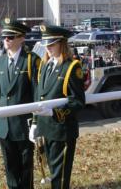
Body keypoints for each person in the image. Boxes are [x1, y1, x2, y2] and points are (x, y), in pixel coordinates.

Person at [29, 25, 85, 189]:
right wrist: (35, 122)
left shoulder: (71, 67)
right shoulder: (45, 65)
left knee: (60, 177)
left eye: (52, 44)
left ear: (62, 43)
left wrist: (55, 112)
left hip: (62, 129)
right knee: (52, 172)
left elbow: (78, 101)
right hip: (46, 128)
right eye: (46, 44)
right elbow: (39, 96)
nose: (48, 47)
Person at [0, 18, 40, 189]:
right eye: (4, 37)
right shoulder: (1, 61)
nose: (6, 40)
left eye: (10, 37)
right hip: (4, 124)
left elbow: (36, 94)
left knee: (25, 166)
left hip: (23, 124)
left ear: (21, 38)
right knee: (10, 166)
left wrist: (35, 122)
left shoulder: (31, 60)